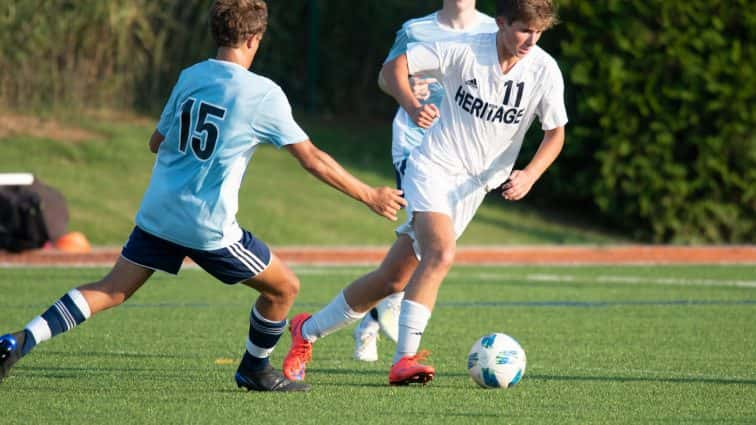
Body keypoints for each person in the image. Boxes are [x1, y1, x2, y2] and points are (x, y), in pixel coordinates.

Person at [0, 0, 405, 393]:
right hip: (206, 227)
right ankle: (254, 370)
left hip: (158, 213)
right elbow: (312, 159)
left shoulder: (191, 75)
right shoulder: (263, 94)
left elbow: (155, 142)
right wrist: (369, 194)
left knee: (111, 289)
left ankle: (20, 339)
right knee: (284, 289)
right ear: (255, 39)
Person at [283, 0, 566, 386]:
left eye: (539, 33)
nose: (531, 40)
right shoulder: (465, 48)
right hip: (433, 165)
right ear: (501, 23)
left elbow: (555, 132)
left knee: (392, 279)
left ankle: (307, 330)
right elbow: (392, 68)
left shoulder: (544, 70)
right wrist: (413, 104)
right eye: (523, 30)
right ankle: (404, 360)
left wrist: (531, 174)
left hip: (473, 186)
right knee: (441, 252)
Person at [353, 0, 499, 363]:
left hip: (463, 159)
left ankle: (372, 316)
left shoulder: (495, 32)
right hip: (416, 147)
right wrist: (408, 94)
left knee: (421, 255)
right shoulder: (415, 29)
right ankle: (391, 330)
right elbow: (387, 76)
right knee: (432, 248)